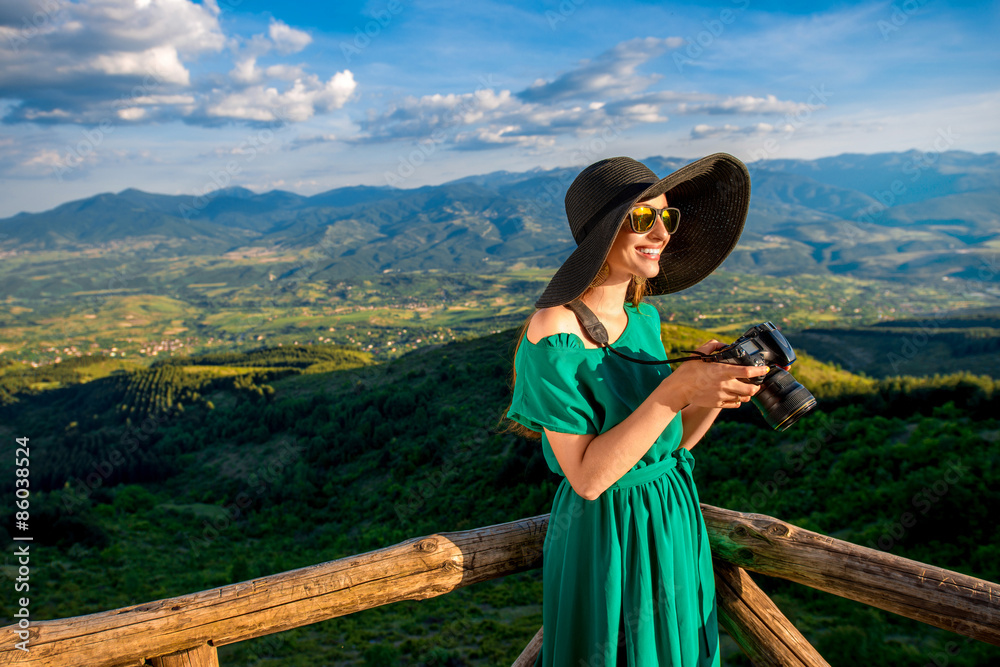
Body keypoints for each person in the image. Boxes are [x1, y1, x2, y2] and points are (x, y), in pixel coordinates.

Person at [505, 154, 768, 666]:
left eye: (666, 217)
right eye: (642, 219)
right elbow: (586, 477)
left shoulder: (642, 319)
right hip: (608, 533)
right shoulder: (553, 333)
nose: (662, 232)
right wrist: (676, 390)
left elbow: (670, 445)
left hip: (672, 517)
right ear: (602, 235)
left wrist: (710, 392)